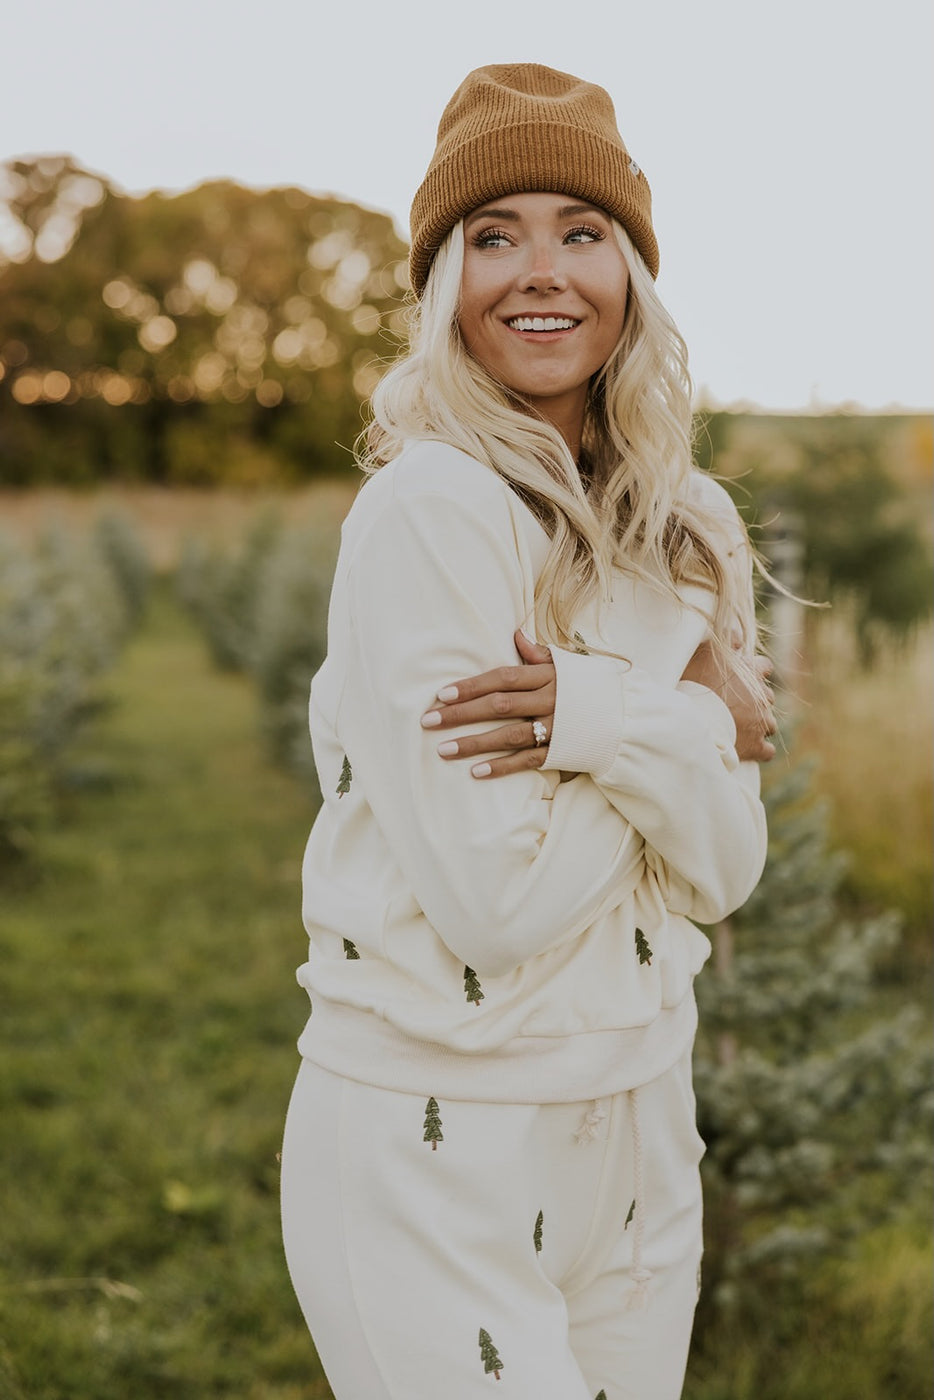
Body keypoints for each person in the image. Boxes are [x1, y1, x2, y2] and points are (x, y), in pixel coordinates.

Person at [280, 62, 776, 1400]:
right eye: (491, 236)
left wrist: (583, 718)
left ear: (632, 275)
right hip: (436, 1139)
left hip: (639, 1121)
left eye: (581, 231)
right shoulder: (430, 512)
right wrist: (666, 712)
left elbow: (725, 870)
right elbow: (498, 908)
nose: (538, 271)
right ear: (443, 281)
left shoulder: (692, 525)